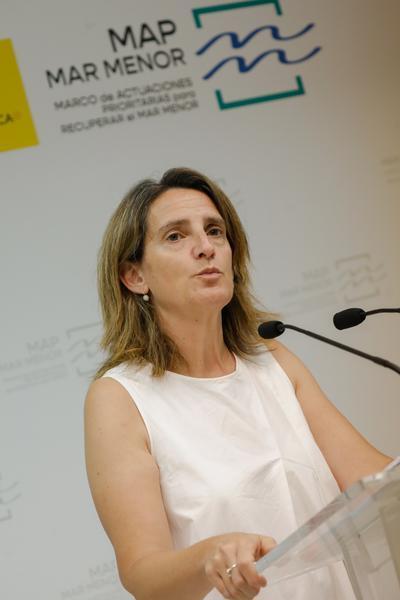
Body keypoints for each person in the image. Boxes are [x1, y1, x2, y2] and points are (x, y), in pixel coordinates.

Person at [84, 167, 392, 600]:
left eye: (215, 231)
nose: (205, 247)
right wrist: (207, 556)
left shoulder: (272, 360)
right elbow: (142, 574)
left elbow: (377, 482)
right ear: (135, 276)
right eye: (176, 236)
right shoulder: (120, 397)